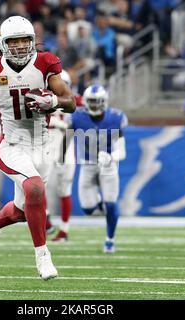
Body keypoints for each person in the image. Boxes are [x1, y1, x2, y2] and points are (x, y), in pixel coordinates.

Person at [0, 16, 76, 280]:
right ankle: (43, 257)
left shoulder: (45, 62)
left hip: (42, 146)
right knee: (34, 188)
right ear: (3, 44)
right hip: (11, 145)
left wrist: (51, 100)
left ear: (32, 42)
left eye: (24, 40)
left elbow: (71, 102)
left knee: (23, 210)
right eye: (13, 41)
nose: (19, 46)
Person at [67, 84, 127, 253]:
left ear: (104, 102)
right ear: (85, 102)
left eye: (97, 102)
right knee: (87, 208)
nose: (94, 105)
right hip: (87, 164)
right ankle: (100, 204)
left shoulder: (115, 118)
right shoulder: (77, 117)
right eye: (91, 102)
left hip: (108, 165)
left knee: (111, 202)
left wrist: (111, 157)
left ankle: (110, 239)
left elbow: (122, 151)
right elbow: (67, 140)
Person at [46, 70, 82, 242]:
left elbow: (78, 124)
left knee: (64, 189)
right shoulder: (42, 95)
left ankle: (64, 230)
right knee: (36, 186)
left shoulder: (77, 101)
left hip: (64, 147)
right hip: (43, 144)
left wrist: (61, 124)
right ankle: (45, 220)